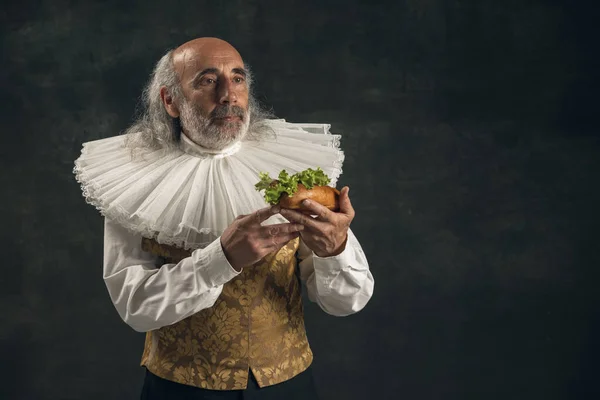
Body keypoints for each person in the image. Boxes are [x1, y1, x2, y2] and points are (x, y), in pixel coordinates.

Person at [74, 37, 374, 399]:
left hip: (288, 386)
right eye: (207, 80)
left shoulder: (293, 172)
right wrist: (222, 259)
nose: (228, 95)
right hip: (181, 390)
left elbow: (346, 302)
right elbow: (135, 306)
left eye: (237, 78)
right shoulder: (136, 182)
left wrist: (335, 250)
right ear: (171, 101)